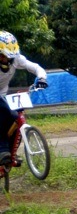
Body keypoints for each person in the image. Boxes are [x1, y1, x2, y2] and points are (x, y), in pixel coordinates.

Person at [0, 31, 47, 168]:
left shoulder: (16, 60)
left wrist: (42, 78)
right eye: (3, 56)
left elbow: (36, 67)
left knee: (15, 119)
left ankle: (9, 153)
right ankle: (2, 149)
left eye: (8, 57)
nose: (6, 60)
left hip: (2, 94)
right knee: (4, 110)